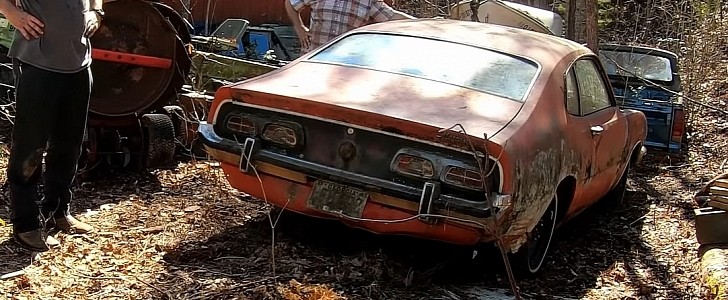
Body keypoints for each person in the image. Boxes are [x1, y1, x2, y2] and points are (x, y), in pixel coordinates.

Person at [0, 0, 103, 252]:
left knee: (69, 145)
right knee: (30, 148)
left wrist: (95, 11)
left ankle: (57, 211)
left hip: (79, 64)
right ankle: (25, 225)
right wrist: (11, 11)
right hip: (37, 63)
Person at [284, 0, 416, 53]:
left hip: (343, 65)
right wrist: (299, 27)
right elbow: (290, 4)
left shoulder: (369, 2)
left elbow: (392, 17)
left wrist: (426, 22)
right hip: (313, 57)